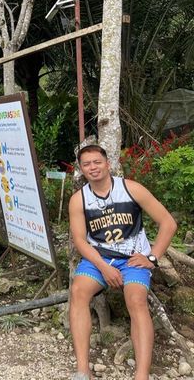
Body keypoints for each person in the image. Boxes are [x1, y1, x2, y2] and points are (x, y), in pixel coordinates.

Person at [68, 145, 177, 380]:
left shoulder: (131, 189)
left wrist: (152, 257)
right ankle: (82, 370)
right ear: (81, 170)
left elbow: (168, 223)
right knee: (78, 292)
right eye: (86, 164)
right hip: (99, 258)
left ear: (107, 163)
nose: (93, 168)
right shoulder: (79, 200)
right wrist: (104, 267)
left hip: (132, 258)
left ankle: (142, 375)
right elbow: (80, 240)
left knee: (136, 299)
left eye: (97, 162)